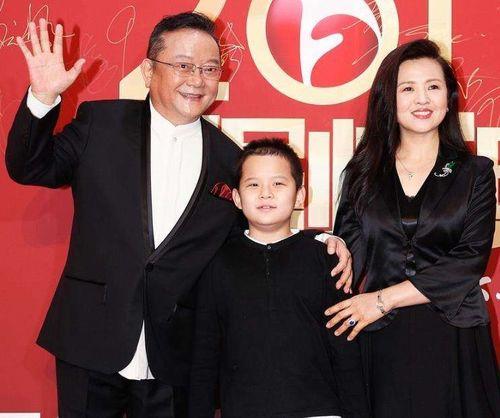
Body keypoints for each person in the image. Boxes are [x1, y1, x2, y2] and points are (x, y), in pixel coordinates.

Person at [5, 12, 352, 418]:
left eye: (209, 69)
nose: (197, 80)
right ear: (149, 70)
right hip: (91, 339)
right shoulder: (101, 123)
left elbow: (252, 235)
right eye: (184, 66)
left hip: (175, 353)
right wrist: (42, 98)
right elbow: (29, 167)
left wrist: (319, 240)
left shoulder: (228, 159)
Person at [325, 39, 500, 417]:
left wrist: (383, 299)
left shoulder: (475, 172)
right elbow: (347, 257)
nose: (422, 99)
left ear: (449, 97)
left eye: (433, 86)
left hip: (452, 332)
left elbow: (469, 261)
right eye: (408, 88)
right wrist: (326, 244)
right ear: (388, 99)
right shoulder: (362, 174)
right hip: (380, 338)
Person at [188, 139, 369, 418]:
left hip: (318, 410)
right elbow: (205, 354)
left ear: (300, 196)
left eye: (278, 184)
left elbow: (345, 346)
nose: (266, 194)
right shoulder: (217, 262)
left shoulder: (327, 259)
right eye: (253, 184)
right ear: (237, 198)